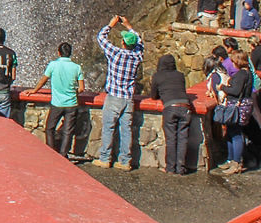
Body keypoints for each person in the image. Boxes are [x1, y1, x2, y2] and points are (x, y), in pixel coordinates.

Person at [91, 15, 144, 171]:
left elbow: (101, 38)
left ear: (123, 43)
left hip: (114, 97)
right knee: (125, 129)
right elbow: (140, 42)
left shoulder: (115, 53)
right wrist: (128, 25)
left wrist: (111, 24)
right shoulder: (137, 56)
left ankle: (105, 159)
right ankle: (125, 161)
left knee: (108, 127)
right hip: (128, 98)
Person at [32, 42, 83, 157]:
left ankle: (51, 153)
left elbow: (43, 80)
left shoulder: (53, 65)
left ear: (59, 53)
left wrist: (34, 90)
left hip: (57, 104)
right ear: (70, 53)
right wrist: (72, 92)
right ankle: (63, 155)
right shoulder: (77, 67)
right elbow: (81, 88)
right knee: (67, 132)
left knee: (49, 128)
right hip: (72, 104)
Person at [148, 54, 193, 174]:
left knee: (171, 139)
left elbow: (153, 96)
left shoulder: (158, 76)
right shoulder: (180, 75)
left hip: (170, 108)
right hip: (185, 107)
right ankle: (181, 168)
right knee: (183, 138)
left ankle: (170, 168)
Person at [219, 50, 255, 174]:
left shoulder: (241, 75)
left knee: (236, 134)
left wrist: (222, 87)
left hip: (237, 107)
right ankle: (230, 160)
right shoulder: (248, 73)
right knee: (231, 132)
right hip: (244, 105)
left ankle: (236, 162)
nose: (232, 63)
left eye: (234, 61)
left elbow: (235, 91)